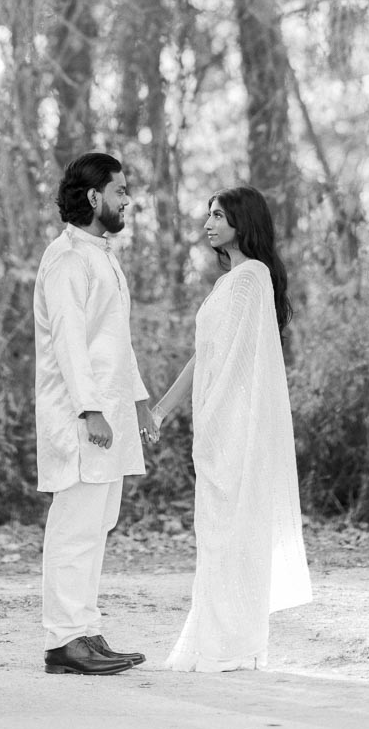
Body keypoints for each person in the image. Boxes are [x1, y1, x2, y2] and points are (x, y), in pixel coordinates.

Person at [151, 185, 312, 671]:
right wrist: (161, 410)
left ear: (244, 221)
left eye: (219, 215)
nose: (209, 223)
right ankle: (218, 639)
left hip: (238, 425)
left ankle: (233, 644)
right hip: (216, 423)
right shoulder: (229, 282)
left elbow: (246, 362)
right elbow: (207, 357)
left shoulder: (251, 278)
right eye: (209, 215)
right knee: (217, 532)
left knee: (236, 532)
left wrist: (221, 419)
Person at [33, 151, 158, 675]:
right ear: (93, 197)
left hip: (111, 413)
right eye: (120, 190)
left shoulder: (100, 253)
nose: (127, 200)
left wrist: (140, 400)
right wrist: (91, 410)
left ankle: (85, 630)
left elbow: (113, 342)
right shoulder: (66, 260)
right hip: (82, 417)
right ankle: (64, 642)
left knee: (99, 523)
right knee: (75, 526)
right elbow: (69, 345)